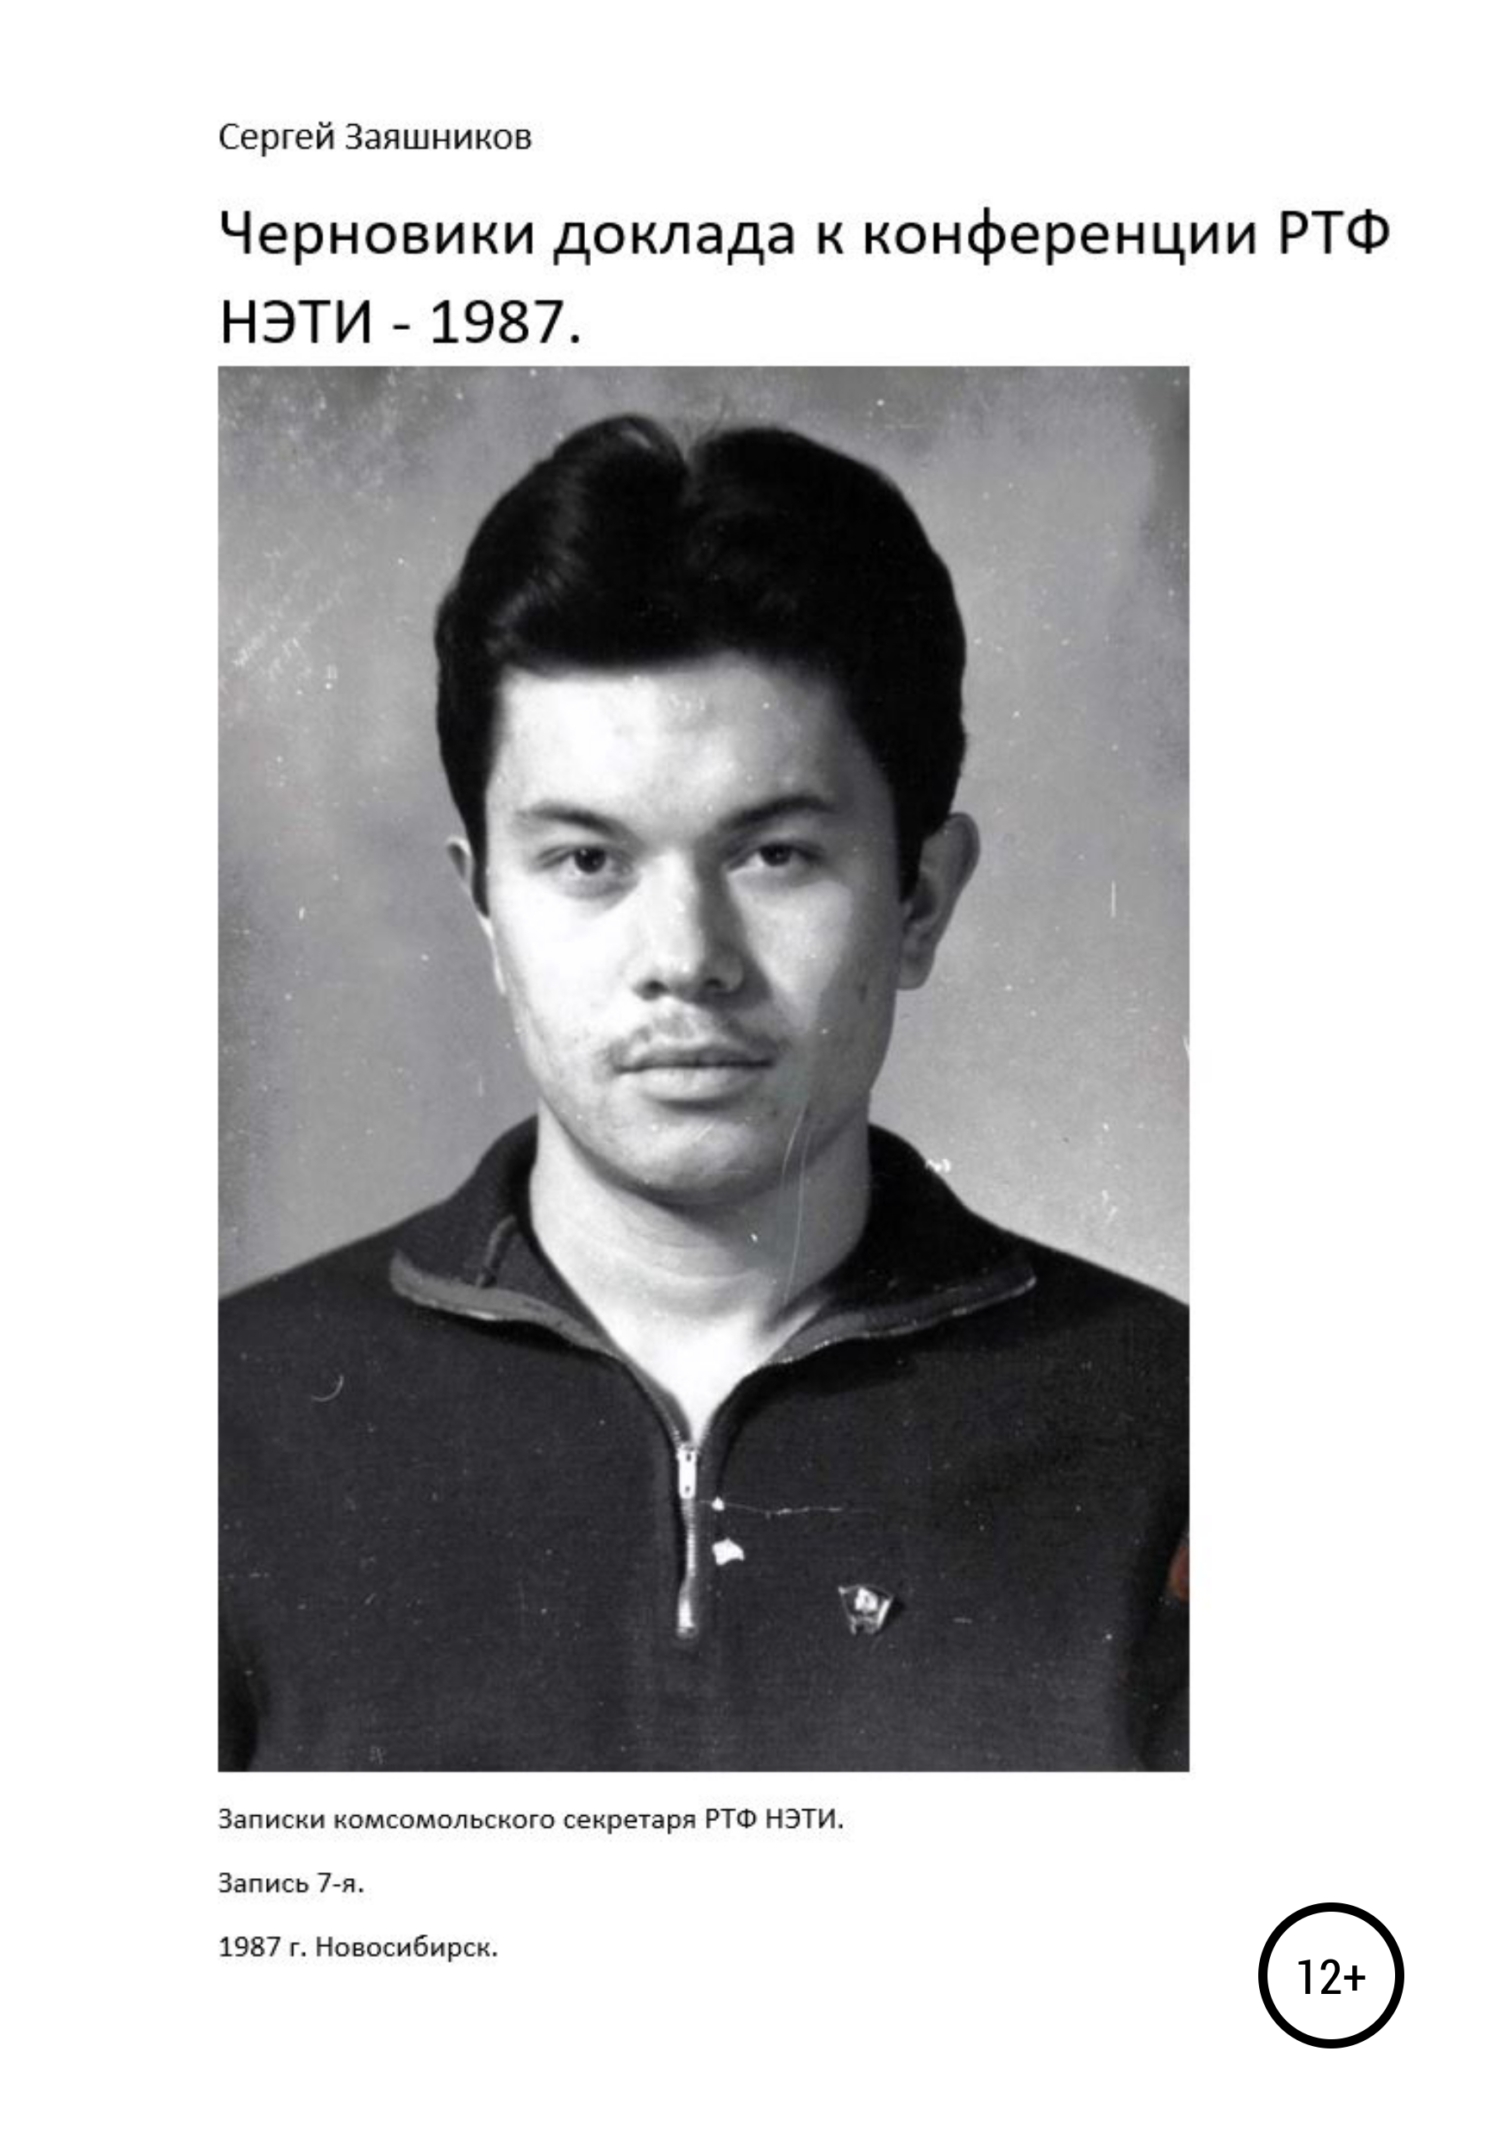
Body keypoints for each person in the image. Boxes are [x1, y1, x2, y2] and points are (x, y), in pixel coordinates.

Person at [220, 414, 1187, 1772]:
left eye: (775, 854)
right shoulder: (215, 1428)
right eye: (588, 862)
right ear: (484, 906)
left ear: (920, 897)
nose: (685, 959)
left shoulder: (1180, 1432)